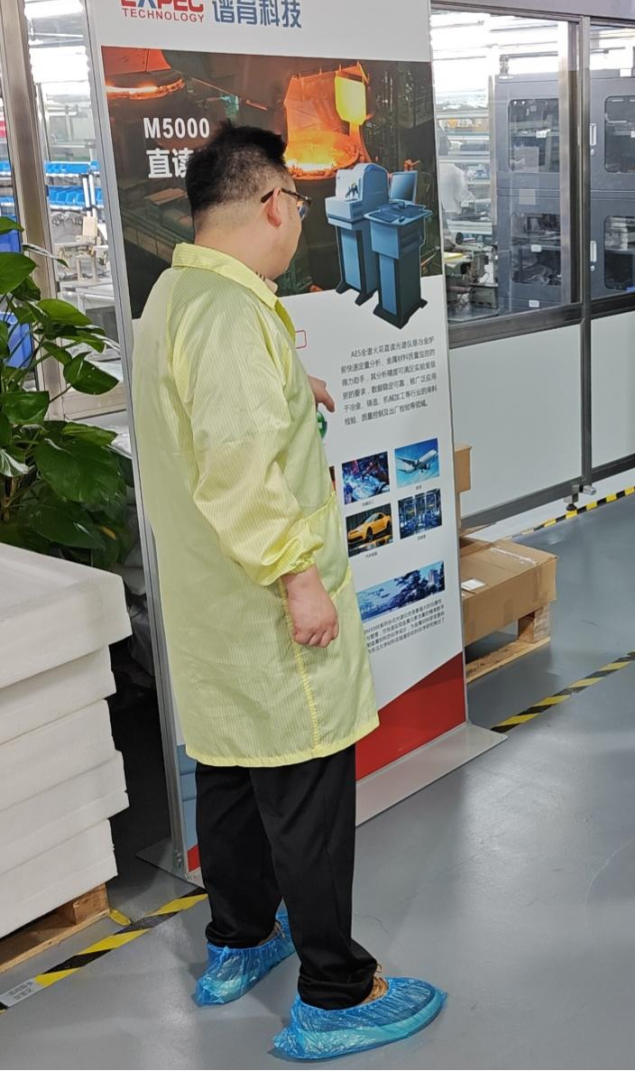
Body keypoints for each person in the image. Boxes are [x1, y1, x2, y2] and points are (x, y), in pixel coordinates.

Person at [132, 123, 445, 1059]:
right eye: (298, 203)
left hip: (211, 606)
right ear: (272, 202)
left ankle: (238, 939)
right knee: (307, 791)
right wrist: (300, 580)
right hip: (269, 602)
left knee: (230, 773)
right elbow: (240, 471)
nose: (300, 218)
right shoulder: (232, 317)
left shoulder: (178, 295)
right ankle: (335, 991)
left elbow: (208, 416)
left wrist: (286, 382)